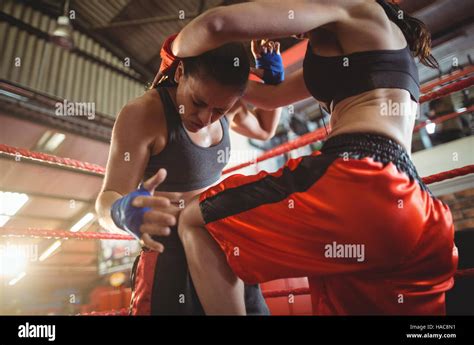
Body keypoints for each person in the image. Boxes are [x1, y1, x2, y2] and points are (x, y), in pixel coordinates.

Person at [175, 0, 459, 315]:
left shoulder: (355, 6)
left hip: (360, 181)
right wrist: (246, 74)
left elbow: (209, 27)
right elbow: (271, 98)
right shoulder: (367, 45)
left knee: (195, 221)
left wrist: (174, 55)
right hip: (415, 207)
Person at [95, 35, 284, 315]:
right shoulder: (144, 113)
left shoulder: (224, 104)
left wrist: (274, 80)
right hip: (169, 251)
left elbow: (265, 129)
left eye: (219, 110)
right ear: (181, 72)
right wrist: (123, 213)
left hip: (221, 241)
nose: (205, 118)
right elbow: (105, 202)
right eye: (197, 102)